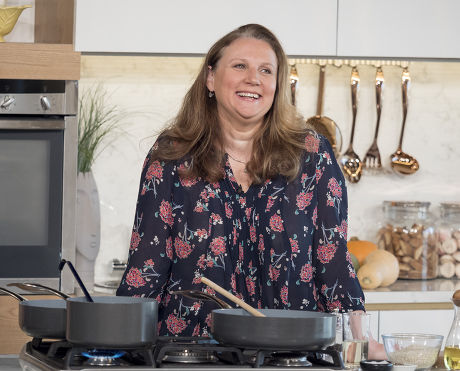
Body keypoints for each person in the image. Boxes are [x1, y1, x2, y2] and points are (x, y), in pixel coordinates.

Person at [117, 23, 385, 358]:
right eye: (239, 66)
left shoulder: (313, 154)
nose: (253, 79)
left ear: (276, 84)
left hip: (292, 352)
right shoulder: (172, 154)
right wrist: (117, 340)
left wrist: (360, 339)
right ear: (210, 78)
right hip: (192, 353)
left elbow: (332, 259)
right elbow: (147, 262)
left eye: (265, 70)